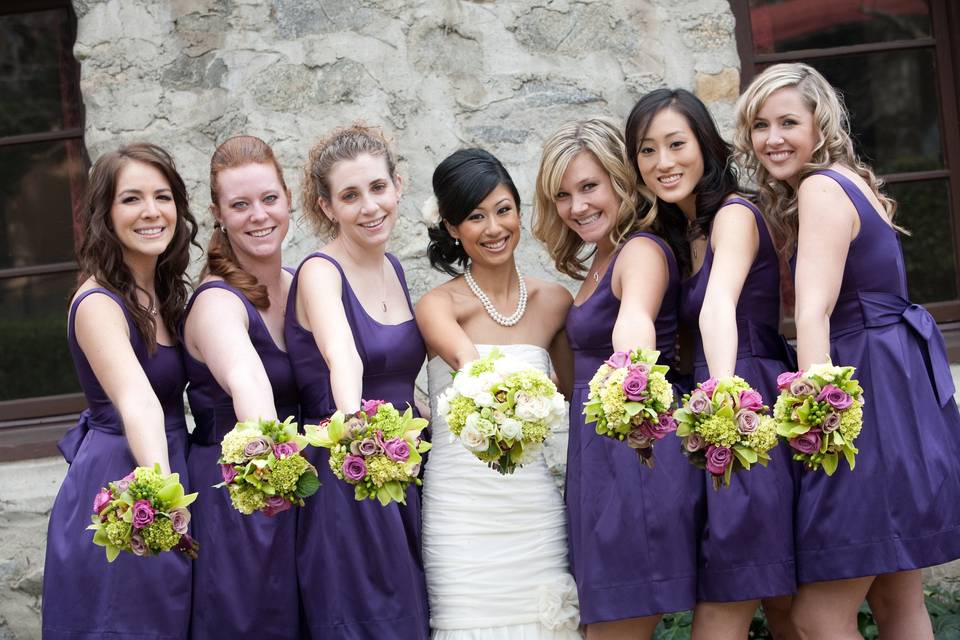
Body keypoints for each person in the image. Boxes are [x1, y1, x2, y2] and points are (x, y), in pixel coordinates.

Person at [735, 62, 960, 639]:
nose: (773, 137)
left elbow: (813, 312)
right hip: (894, 386)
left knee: (817, 614)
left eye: (789, 121)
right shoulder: (851, 180)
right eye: (761, 124)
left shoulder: (819, 187)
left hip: (860, 399)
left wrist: (819, 418)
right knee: (896, 594)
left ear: (820, 125)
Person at [625, 88, 797, 640]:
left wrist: (724, 396)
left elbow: (720, 302)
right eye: (647, 151)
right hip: (705, 414)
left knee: (732, 603)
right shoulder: (675, 235)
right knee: (781, 606)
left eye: (676, 144)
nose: (663, 162)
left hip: (746, 406)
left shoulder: (734, 215)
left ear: (705, 144)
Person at [533, 118, 703, 639]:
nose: (577, 206)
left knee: (614, 631)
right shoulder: (600, 261)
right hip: (599, 462)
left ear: (620, 180)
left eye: (589, 187)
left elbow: (635, 325)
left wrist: (631, 366)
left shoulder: (641, 252)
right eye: (562, 195)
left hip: (634, 460)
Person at [416, 148, 581, 639]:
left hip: (531, 507)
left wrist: (545, 400)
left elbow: (573, 391)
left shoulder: (555, 301)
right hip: (462, 509)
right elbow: (473, 371)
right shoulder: (438, 305)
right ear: (451, 227)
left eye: (503, 209)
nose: (493, 228)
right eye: (475, 216)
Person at [42, 143, 198, 639]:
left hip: (172, 460)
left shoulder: (167, 291)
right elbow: (138, 401)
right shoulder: (97, 302)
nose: (151, 211)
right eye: (131, 199)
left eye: (162, 196)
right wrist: (163, 498)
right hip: (125, 480)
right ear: (105, 215)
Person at [284, 124, 429, 639]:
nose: (369, 206)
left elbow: (401, 382)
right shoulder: (319, 272)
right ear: (327, 207)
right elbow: (344, 359)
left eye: (377, 188)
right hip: (350, 468)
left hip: (403, 466)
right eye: (350, 195)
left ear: (397, 185)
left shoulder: (394, 267)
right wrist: (359, 433)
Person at [182, 135, 300, 638]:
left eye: (269, 199)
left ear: (288, 198)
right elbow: (248, 380)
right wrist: (271, 464)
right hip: (242, 493)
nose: (259, 216)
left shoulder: (299, 284)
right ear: (218, 214)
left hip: (298, 488)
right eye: (240, 205)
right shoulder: (216, 302)